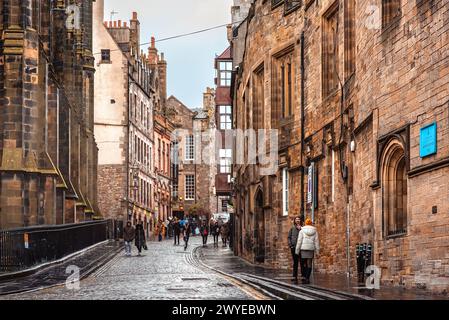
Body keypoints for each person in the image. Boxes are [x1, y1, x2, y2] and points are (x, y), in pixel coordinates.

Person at [295, 218, 319, 284]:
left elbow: (299, 241)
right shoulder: (315, 231)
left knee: (303, 263)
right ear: (311, 223)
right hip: (311, 249)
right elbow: (316, 242)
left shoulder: (302, 231)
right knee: (309, 263)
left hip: (303, 249)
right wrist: (317, 251)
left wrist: (297, 250)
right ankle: (307, 278)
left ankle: (304, 276)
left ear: (305, 223)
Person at [288, 217, 302, 282]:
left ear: (300, 221)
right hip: (294, 247)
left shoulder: (302, 228)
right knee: (295, 262)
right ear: (294, 221)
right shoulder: (292, 228)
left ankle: (303, 276)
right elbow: (289, 237)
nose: (297, 220)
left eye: (298, 219)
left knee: (302, 262)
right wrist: (290, 245)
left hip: (301, 247)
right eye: (296, 219)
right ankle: (294, 276)